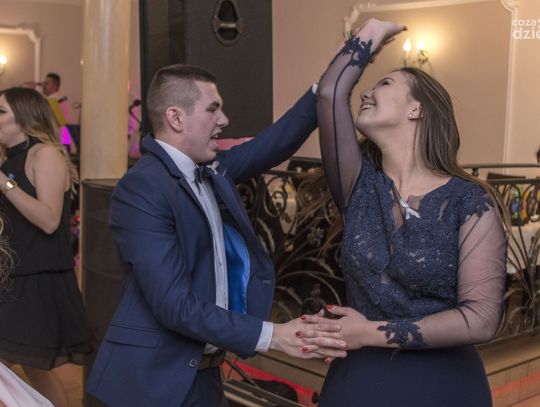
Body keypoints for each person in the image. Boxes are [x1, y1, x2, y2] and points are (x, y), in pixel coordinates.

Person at [86, 64, 347, 407]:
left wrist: (327, 86)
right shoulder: (143, 186)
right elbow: (174, 305)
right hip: (154, 382)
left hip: (205, 373)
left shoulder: (211, 170)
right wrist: (274, 336)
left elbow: (272, 144)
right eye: (213, 109)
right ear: (176, 118)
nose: (224, 120)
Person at [297, 19, 508, 406]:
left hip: (443, 384)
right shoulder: (359, 186)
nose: (367, 92)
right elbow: (330, 93)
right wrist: (370, 32)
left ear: (416, 109)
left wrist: (367, 332)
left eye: (384, 84)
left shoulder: (469, 200)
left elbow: (480, 319)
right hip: (360, 381)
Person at [0, 87, 94, 407]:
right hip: (14, 276)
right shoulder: (11, 159)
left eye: (1, 112)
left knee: (28, 367)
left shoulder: (45, 154)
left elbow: (49, 219)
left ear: (24, 117)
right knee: (35, 368)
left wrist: (4, 182)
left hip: (38, 279)